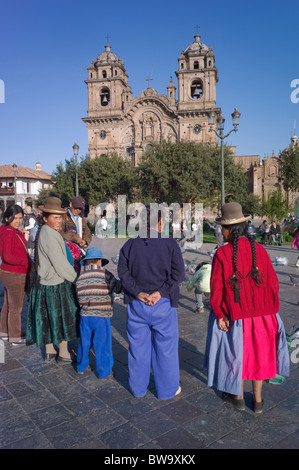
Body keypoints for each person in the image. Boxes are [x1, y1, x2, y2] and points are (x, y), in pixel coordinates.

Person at [204, 202, 290, 413]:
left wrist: (221, 314)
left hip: (237, 317)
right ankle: (258, 401)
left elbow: (216, 290)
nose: (220, 232)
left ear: (227, 229)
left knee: (237, 356)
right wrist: (271, 311)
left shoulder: (222, 254)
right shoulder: (260, 250)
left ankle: (239, 397)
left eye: (221, 228)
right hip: (265, 316)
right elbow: (273, 284)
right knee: (259, 356)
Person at [118, 206, 185, 400]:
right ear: (160, 222)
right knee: (166, 349)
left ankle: (138, 389)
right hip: (162, 303)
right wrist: (160, 292)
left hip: (137, 303)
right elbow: (178, 274)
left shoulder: (129, 245)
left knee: (138, 349)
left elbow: (123, 273)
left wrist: (138, 292)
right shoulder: (170, 244)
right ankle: (167, 390)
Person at [26, 197, 79, 362]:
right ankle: (63, 352)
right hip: (55, 284)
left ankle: (49, 350)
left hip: (46, 283)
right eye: (55, 217)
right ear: (45, 218)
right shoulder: (50, 235)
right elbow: (60, 264)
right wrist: (76, 279)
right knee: (64, 318)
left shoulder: (46, 231)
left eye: (60, 217)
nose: (59, 221)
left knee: (47, 318)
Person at [76, 247, 122, 378]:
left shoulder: (81, 276)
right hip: (101, 316)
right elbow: (118, 288)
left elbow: (78, 295)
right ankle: (105, 371)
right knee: (103, 344)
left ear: (86, 262)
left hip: (85, 315)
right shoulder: (105, 274)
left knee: (85, 342)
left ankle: (82, 365)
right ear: (100, 261)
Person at [0, 205, 31, 345]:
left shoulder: (8, 231)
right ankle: (15, 336)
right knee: (16, 307)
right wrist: (25, 262)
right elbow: (8, 256)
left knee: (8, 304)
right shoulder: (9, 233)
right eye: (15, 218)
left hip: (9, 272)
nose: (18, 221)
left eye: (20, 218)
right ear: (7, 218)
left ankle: (5, 332)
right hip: (15, 273)